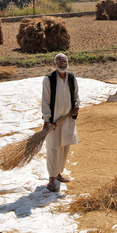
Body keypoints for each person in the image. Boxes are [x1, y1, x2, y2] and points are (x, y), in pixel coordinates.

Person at [42, 53, 80, 192]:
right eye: (59, 61)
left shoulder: (71, 78)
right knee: (53, 148)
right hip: (54, 122)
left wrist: (76, 106)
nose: (62, 63)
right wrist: (47, 120)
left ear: (67, 62)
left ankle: (58, 174)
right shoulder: (49, 80)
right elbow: (45, 101)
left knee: (64, 147)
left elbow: (76, 95)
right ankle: (51, 179)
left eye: (64, 60)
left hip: (68, 119)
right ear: (55, 64)